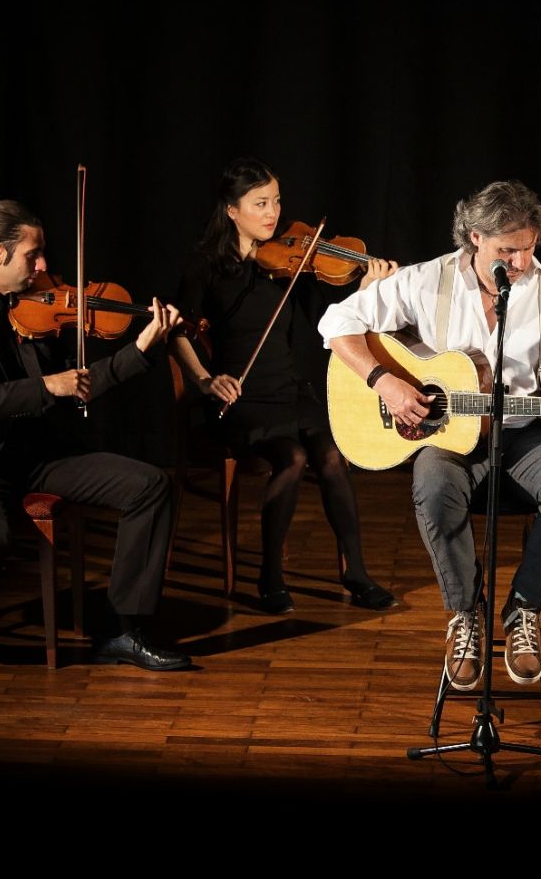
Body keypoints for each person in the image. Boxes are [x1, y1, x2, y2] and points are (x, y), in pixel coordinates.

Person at [319, 180, 541, 691]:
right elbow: (337, 322)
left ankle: (524, 610)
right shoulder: (425, 281)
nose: (520, 262)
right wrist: (385, 382)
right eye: (507, 251)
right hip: (448, 439)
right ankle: (465, 614)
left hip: (519, 433)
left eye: (528, 249)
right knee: (432, 484)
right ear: (475, 238)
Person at [0, 200, 189, 673]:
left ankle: (123, 631)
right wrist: (45, 386)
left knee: (151, 485)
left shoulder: (35, 305)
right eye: (33, 255)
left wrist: (141, 347)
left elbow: (77, 384)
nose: (43, 265)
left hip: (37, 455)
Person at [171, 157, 400, 614]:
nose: (273, 212)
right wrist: (205, 380)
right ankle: (270, 575)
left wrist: (367, 289)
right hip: (241, 397)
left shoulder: (289, 264)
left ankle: (356, 572)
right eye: (260, 203)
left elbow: (329, 322)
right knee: (291, 458)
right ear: (231, 210)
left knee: (332, 456)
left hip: (290, 390)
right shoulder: (206, 267)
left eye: (276, 201)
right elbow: (176, 331)